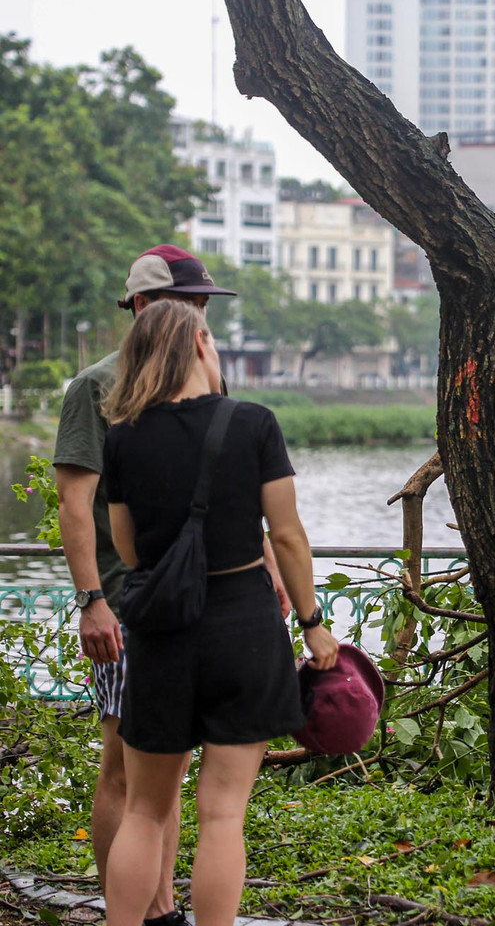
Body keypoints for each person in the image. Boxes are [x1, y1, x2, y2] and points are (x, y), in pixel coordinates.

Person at [100, 299, 339, 926]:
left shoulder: (122, 438)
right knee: (223, 812)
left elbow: (127, 549)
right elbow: (287, 536)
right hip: (244, 630)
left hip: (161, 633)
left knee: (147, 811)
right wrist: (312, 624)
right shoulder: (253, 423)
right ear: (203, 344)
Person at [53, 244, 249, 926]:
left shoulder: (203, 385)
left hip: (198, 605)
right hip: (129, 602)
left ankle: (159, 908)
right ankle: (139, 911)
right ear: (142, 306)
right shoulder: (99, 387)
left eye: (202, 304)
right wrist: (92, 601)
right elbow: (75, 504)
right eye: (187, 303)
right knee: (125, 769)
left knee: (166, 775)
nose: (199, 316)